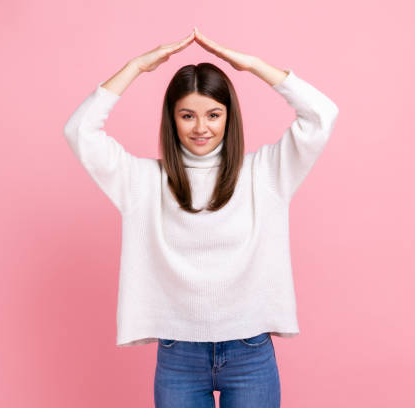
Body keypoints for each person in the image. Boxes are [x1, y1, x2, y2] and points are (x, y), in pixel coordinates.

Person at [63, 27, 339, 408]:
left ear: (229, 116)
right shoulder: (143, 182)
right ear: (172, 119)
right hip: (179, 356)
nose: (201, 127)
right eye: (187, 115)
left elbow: (322, 114)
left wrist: (254, 66)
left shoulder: (266, 173)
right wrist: (136, 67)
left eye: (213, 114)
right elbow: (79, 131)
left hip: (250, 351)